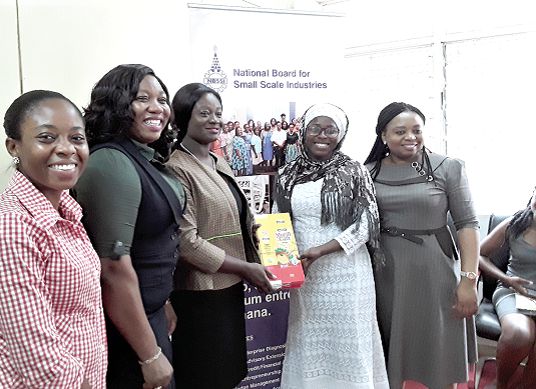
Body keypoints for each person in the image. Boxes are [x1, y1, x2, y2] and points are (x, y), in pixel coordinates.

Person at [0, 90, 106, 388]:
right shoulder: (11, 225)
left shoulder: (66, 211)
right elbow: (40, 362)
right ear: (13, 146)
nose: (67, 149)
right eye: (47, 138)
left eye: (77, 138)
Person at [73, 64, 183, 389]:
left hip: (147, 315)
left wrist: (162, 301)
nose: (157, 108)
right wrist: (149, 354)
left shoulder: (141, 156)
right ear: (117, 105)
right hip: (126, 332)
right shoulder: (112, 162)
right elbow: (113, 268)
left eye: (162, 99)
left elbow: (150, 242)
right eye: (142, 99)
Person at [166, 82, 275, 389]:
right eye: (204, 113)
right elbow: (187, 242)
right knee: (206, 375)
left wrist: (273, 243)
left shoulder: (217, 161)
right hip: (200, 294)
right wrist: (245, 267)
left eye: (218, 113)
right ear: (183, 116)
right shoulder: (176, 168)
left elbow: (242, 217)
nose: (214, 119)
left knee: (229, 373)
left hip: (229, 287)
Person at [364, 102, 480, 389]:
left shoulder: (448, 167)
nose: (410, 137)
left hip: (435, 270)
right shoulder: (366, 173)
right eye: (400, 131)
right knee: (391, 350)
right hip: (386, 274)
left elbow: (468, 224)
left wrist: (468, 281)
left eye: (417, 130)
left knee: (439, 349)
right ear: (383, 137)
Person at [275, 103, 389, 389]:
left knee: (350, 340)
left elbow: (367, 224)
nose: (322, 135)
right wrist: (282, 259)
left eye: (330, 130)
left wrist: (322, 250)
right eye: (315, 128)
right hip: (305, 274)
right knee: (309, 339)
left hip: (348, 273)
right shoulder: (287, 173)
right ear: (303, 132)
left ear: (341, 134)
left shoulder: (354, 170)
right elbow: (278, 220)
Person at [479, 188, 536, 389]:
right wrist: (506, 279)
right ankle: (500, 383)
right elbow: (480, 255)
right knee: (519, 335)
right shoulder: (515, 224)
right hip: (513, 291)